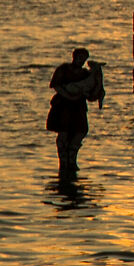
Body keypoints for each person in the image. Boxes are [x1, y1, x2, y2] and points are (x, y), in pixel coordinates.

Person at [46, 48, 105, 181]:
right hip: (63, 106)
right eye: (79, 57)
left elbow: (91, 94)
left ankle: (72, 161)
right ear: (74, 57)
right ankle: (63, 163)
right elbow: (56, 86)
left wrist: (98, 80)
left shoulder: (85, 74)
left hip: (78, 107)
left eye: (83, 58)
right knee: (63, 134)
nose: (81, 60)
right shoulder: (64, 69)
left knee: (80, 132)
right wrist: (69, 95)